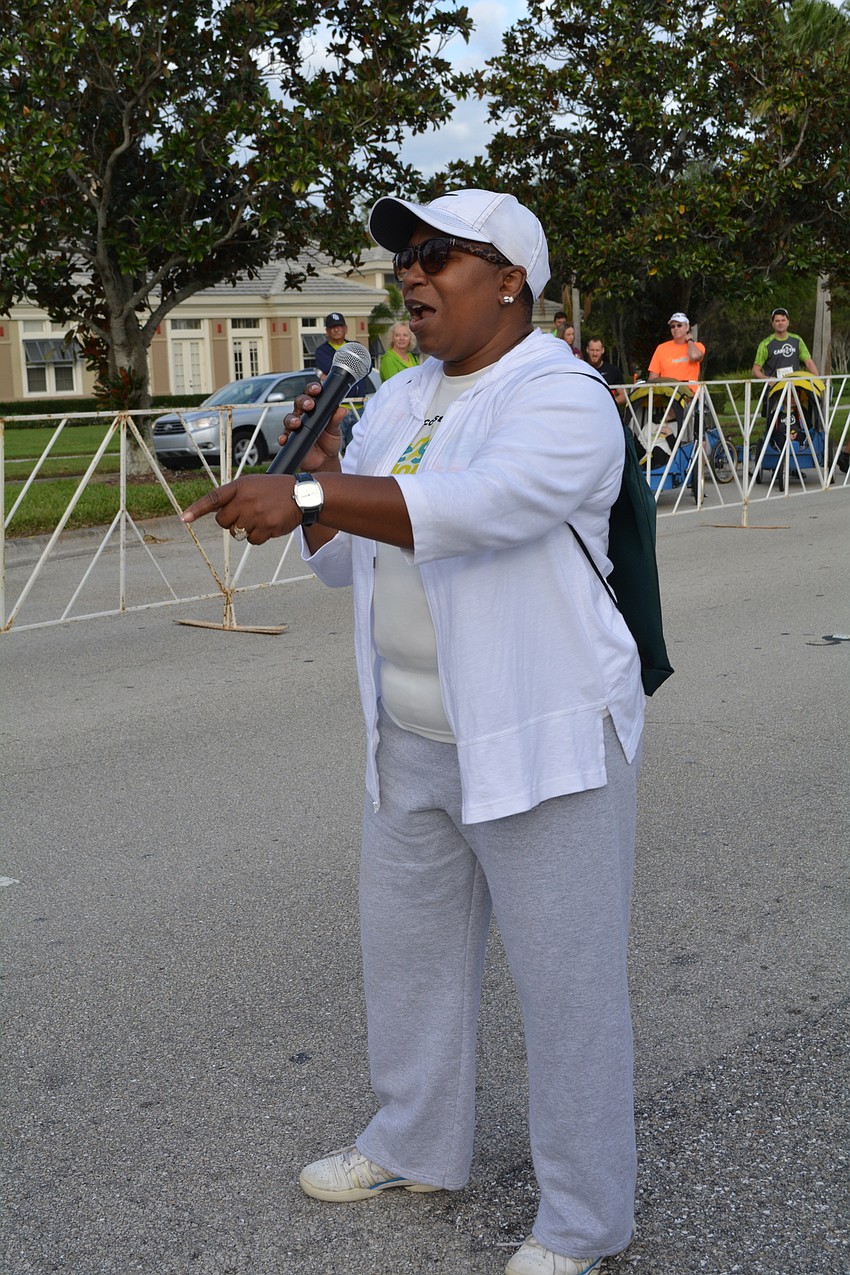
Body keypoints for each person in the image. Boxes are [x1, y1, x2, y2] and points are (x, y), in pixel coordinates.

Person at [181, 188, 644, 1275]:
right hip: (411, 736)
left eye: (440, 255)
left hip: (543, 740)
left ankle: (582, 1222)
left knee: (569, 989)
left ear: (511, 277)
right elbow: (349, 559)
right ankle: (413, 1146)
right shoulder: (397, 397)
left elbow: (487, 507)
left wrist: (309, 495)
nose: (413, 275)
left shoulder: (563, 396)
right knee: (410, 967)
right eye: (405, 258)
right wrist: (322, 488)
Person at [752, 307, 821, 436]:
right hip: (775, 391)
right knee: (774, 424)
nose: (780, 323)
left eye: (783, 320)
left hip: (796, 390)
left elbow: (809, 362)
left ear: (788, 322)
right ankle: (774, 447)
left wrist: (817, 381)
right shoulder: (765, 344)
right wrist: (768, 380)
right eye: (777, 321)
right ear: (772, 323)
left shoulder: (797, 340)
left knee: (803, 420)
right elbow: (755, 371)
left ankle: (804, 445)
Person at [315, 311, 375, 450]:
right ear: (327, 331)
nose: (336, 329)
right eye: (332, 327)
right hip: (337, 409)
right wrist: (354, 367)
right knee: (336, 451)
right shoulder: (322, 351)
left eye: (339, 326)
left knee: (357, 450)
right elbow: (334, 370)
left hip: (358, 408)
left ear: (346, 329)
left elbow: (367, 367)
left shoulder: (355, 346)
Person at [646, 312, 705, 442]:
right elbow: (653, 376)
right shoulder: (661, 348)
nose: (676, 329)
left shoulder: (697, 346)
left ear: (687, 327)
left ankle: (697, 459)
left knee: (699, 436)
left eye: (679, 325)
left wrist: (689, 340)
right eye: (673, 326)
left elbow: (695, 356)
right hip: (667, 396)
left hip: (690, 396)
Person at [585, 337, 626, 407]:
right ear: (587, 350)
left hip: (607, 413)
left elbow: (624, 396)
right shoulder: (581, 369)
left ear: (602, 350)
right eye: (592, 350)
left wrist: (608, 404)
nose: (594, 354)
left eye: (597, 350)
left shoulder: (613, 371)